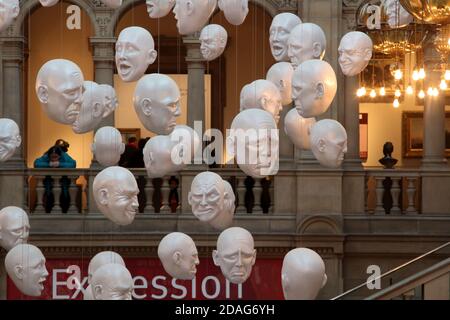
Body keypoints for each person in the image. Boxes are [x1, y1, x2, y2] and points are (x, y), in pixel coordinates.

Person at [34, 145, 76, 213]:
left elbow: (73, 164)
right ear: (49, 156)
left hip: (64, 186)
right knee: (49, 204)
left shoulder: (64, 156)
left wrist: (60, 164)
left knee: (64, 204)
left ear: (60, 156)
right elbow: (36, 163)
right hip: (48, 186)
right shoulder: (46, 156)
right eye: (52, 157)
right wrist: (48, 164)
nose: (54, 159)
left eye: (56, 157)